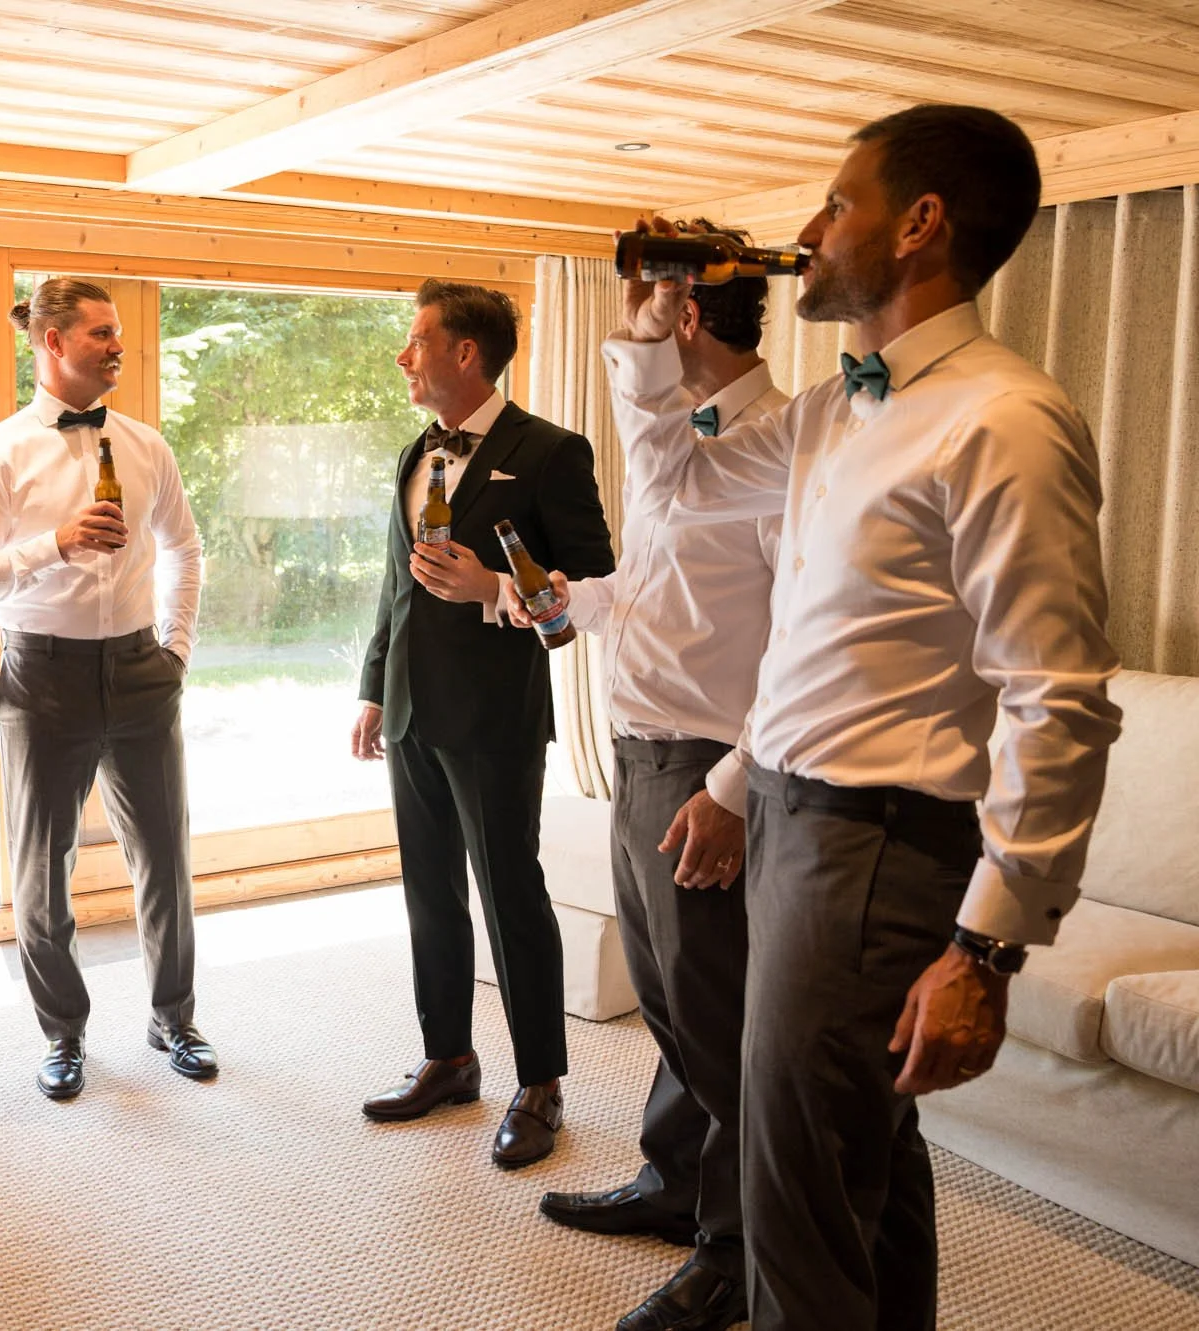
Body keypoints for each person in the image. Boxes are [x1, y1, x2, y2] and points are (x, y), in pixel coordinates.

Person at [603, 105, 1123, 1330]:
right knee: (861, 1176)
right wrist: (646, 330)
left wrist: (987, 946)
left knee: (799, 1196)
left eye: (835, 204)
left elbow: (1058, 695)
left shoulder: (1004, 417)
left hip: (880, 841)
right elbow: (685, 475)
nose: (806, 231)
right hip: (786, 812)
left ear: (918, 224)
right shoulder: (834, 408)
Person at [534, 225, 784, 1331]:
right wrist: (546, 595)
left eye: (647, 310)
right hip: (638, 751)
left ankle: (732, 1253)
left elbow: (802, 649)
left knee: (715, 1016)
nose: (631, 335)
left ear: (683, 318)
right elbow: (647, 592)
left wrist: (730, 783)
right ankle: (668, 1182)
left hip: (701, 764)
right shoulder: (682, 444)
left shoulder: (781, 446)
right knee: (673, 1004)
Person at [352, 279, 614, 1168]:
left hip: (497, 715)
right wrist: (374, 688)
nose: (404, 355)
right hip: (414, 708)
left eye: (416, 338)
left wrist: (497, 590)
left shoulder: (551, 452)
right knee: (428, 889)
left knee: (510, 892)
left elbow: (596, 587)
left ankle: (540, 1084)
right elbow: (396, 583)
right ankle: (449, 1058)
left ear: (467, 352)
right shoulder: (413, 454)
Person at [0, 276, 208, 1101]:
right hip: (41, 674)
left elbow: (186, 551)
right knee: (41, 867)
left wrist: (176, 651)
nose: (115, 344)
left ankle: (174, 1016)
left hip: (139, 672)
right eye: (98, 332)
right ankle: (63, 1032)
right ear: (52, 343)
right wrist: (51, 545)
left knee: (164, 855)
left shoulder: (145, 444)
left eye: (117, 331)